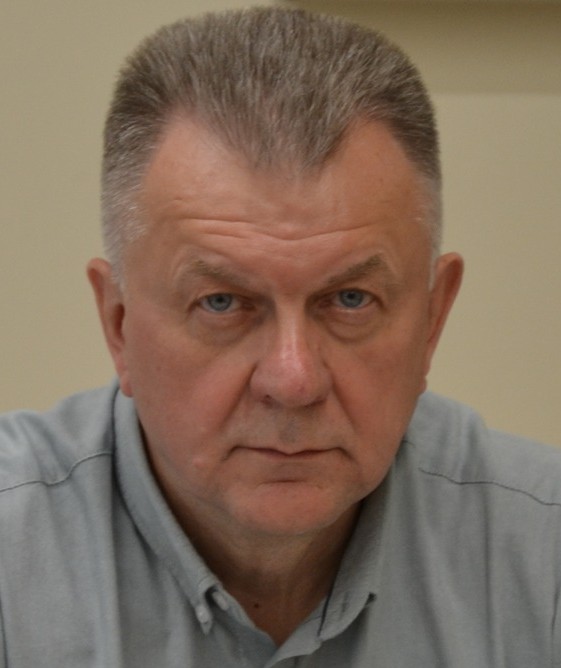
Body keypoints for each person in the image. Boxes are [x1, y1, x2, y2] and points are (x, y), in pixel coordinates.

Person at [0, 7, 559, 667]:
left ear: (432, 319)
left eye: (350, 300)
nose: (293, 381)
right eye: (221, 303)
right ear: (118, 325)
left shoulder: (542, 552)